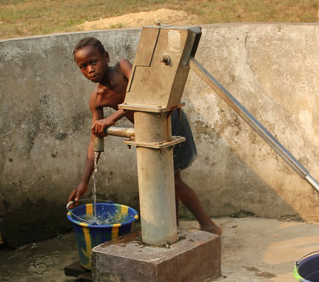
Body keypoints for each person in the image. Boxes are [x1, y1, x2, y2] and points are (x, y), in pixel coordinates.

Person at [66, 37, 222, 235]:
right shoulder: (97, 98)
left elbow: (142, 95)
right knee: (169, 179)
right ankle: (172, 227)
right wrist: (84, 182)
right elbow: (95, 139)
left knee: (172, 180)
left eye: (93, 62)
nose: (90, 69)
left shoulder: (122, 67)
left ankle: (208, 225)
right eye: (83, 67)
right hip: (150, 129)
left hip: (170, 120)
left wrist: (111, 119)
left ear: (106, 57)